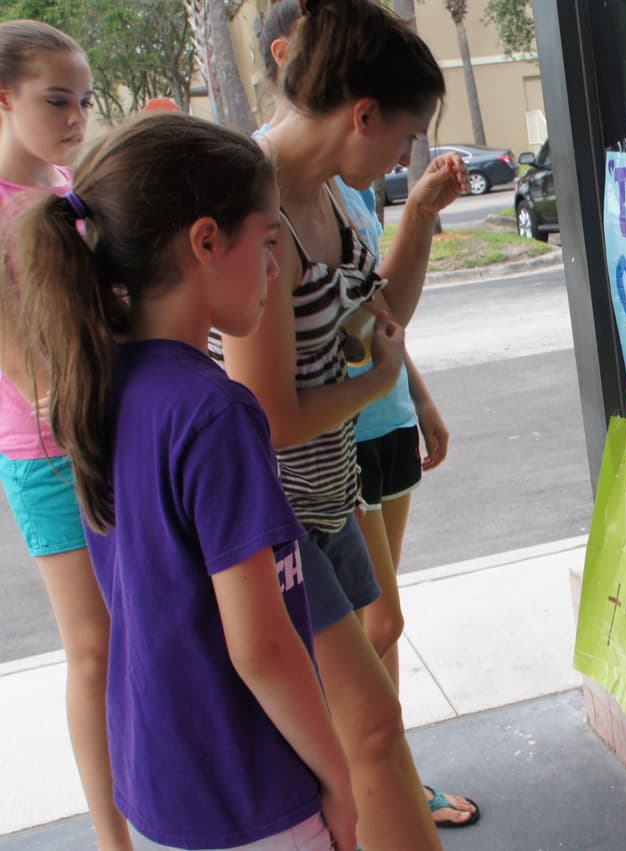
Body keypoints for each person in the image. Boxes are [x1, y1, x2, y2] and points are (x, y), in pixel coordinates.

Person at [12, 112, 356, 851]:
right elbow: (259, 646)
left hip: (162, 786)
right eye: (266, 243)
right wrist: (339, 775)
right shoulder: (215, 410)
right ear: (205, 241)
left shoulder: (96, 381)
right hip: (251, 794)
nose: (274, 269)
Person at [213, 1, 467, 847]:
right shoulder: (260, 209)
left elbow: (380, 310)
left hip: (327, 500)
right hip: (273, 519)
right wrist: (384, 382)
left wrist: (421, 217)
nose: (404, 157)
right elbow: (270, 419)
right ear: (362, 115)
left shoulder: (323, 193)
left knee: (367, 735)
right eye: (404, 139)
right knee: (366, 738)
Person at [0, 21, 130, 850]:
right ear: (3, 98)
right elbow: (20, 357)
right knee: (93, 649)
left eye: (84, 99)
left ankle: (153, 798)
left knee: (135, 634)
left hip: (106, 431)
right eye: (58, 100)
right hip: (47, 455)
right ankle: (111, 836)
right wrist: (58, 397)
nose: (78, 115)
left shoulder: (62, 181)